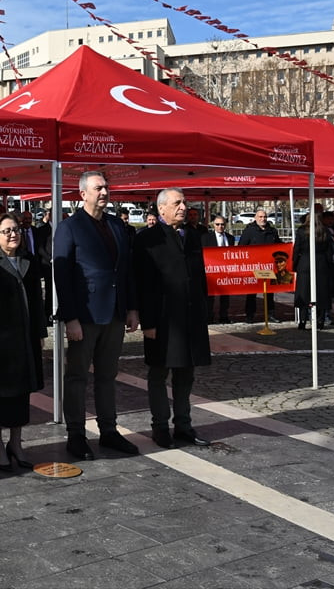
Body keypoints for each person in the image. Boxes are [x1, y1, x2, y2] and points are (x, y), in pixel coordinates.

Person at [53, 171, 139, 461]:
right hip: (85, 316)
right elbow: (62, 276)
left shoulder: (116, 225)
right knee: (77, 377)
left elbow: (125, 271)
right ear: (83, 194)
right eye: (98, 188)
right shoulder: (69, 227)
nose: (104, 192)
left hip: (114, 313)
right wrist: (71, 318)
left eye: (106, 187)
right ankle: (76, 434)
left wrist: (131, 308)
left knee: (107, 376)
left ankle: (109, 431)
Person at [133, 189, 212, 449]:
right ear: (162, 208)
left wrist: (203, 311)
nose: (183, 207)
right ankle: (160, 427)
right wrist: (149, 323)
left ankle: (184, 425)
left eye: (184, 202)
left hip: (190, 318)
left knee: (186, 374)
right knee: (158, 374)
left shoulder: (191, 236)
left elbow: (198, 277)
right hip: (163, 320)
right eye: (177, 203)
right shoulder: (147, 238)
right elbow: (142, 284)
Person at [0, 213, 48, 471]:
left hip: (24, 340)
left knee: (20, 396)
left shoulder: (28, 260)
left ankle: (16, 443)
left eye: (15, 230)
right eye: (6, 231)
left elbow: (37, 299)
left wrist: (40, 333)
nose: (13, 235)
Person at [292, 216, 334, 329]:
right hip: (321, 263)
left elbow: (297, 248)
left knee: (303, 292)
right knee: (321, 292)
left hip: (305, 262)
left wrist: (295, 264)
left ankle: (302, 321)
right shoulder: (324, 231)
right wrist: (328, 263)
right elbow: (329, 250)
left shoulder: (302, 230)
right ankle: (320, 321)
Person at [238, 208, 280, 322]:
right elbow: (241, 247)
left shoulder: (273, 231)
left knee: (269, 292)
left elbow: (279, 246)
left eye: (265, 217)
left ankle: (270, 314)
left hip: (268, 266)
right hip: (254, 266)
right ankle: (250, 314)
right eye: (260, 217)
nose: (263, 219)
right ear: (255, 218)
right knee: (252, 292)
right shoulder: (249, 231)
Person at [200, 215, 234, 324]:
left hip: (226, 271)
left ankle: (224, 316)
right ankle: (209, 317)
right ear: (213, 225)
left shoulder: (230, 238)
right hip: (211, 271)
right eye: (217, 224)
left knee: (225, 296)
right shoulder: (206, 238)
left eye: (222, 224)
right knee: (210, 296)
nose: (220, 227)